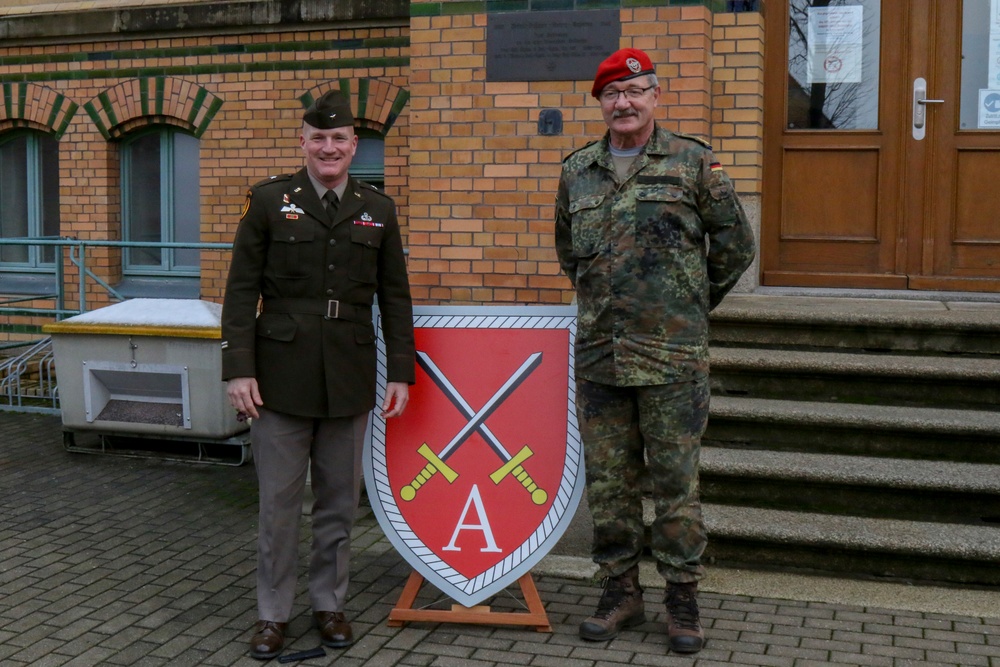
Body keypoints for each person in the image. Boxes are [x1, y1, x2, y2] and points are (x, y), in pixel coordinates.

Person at [554, 48, 755, 654]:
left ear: (655, 95)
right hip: (601, 358)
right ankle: (620, 591)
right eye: (613, 93)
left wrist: (687, 307)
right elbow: (571, 256)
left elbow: (734, 246)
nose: (624, 103)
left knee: (674, 485)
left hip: (672, 360)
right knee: (610, 485)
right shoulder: (578, 171)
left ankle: (681, 599)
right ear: (600, 103)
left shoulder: (693, 162)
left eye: (635, 90)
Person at [221, 89, 415, 660]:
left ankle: (329, 603)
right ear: (302, 142)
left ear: (354, 146)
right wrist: (238, 369)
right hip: (279, 375)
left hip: (350, 373)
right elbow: (239, 293)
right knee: (278, 507)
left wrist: (399, 371)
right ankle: (272, 614)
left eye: (339, 139)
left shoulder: (378, 209)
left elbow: (395, 297)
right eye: (318, 138)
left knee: (337, 502)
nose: (328, 148)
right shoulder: (267, 201)